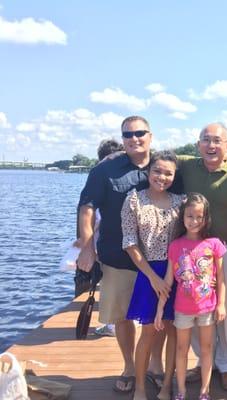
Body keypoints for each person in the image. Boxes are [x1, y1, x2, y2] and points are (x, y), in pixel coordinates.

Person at [77, 116, 182, 394]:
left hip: (159, 260)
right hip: (118, 257)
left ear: (151, 135)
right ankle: (128, 365)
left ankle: (155, 365)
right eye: (128, 134)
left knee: (158, 317)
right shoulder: (105, 170)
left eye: (140, 133)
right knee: (122, 316)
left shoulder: (167, 167)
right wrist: (87, 246)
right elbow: (87, 206)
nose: (134, 138)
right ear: (122, 138)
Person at [177, 123, 227, 391]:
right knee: (195, 304)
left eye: (217, 141)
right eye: (205, 140)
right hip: (193, 250)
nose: (211, 145)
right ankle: (204, 359)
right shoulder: (187, 166)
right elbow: (157, 159)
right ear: (197, 145)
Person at [121, 150, 185, 400]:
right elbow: (130, 244)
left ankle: (167, 385)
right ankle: (139, 387)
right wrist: (153, 277)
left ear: (174, 175)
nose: (162, 176)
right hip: (149, 273)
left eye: (168, 172)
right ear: (149, 172)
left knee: (173, 331)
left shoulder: (181, 202)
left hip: (177, 272)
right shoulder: (134, 200)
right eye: (157, 170)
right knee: (148, 331)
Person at [155, 193, 226, 400]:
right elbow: (168, 280)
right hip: (182, 309)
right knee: (181, 349)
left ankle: (205, 390)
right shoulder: (175, 245)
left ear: (206, 218)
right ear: (182, 217)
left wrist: (221, 304)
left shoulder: (214, 244)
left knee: (206, 349)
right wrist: (160, 308)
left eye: (199, 217)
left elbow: (220, 278)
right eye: (189, 216)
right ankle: (182, 389)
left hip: (206, 308)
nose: (194, 221)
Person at [94, 139, 124, 338]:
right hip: (122, 244)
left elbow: (96, 218)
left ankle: (112, 325)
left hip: (108, 245)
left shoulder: (101, 178)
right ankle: (117, 323)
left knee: (110, 287)